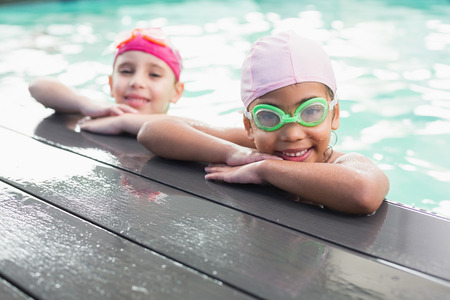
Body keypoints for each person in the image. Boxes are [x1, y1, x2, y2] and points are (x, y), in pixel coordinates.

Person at [137, 31, 390, 215]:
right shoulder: (251, 149)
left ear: (334, 115)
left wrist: (265, 169)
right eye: (269, 116)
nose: (291, 133)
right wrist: (235, 153)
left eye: (311, 111)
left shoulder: (343, 164)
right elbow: (153, 130)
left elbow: (364, 192)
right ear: (250, 126)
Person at [28, 27, 184, 135]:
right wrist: (85, 104)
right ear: (111, 85)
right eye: (126, 71)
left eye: (154, 75)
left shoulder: (182, 129)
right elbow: (37, 87)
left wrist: (123, 122)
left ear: (176, 92)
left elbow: (171, 128)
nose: (136, 82)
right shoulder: (107, 113)